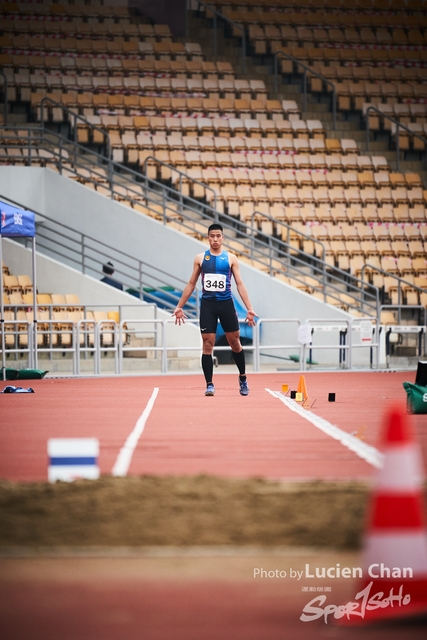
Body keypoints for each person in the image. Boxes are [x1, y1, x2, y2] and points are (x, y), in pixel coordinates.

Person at [172, 223, 257, 397]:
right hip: (208, 306)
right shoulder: (200, 258)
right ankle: (209, 384)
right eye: (212, 236)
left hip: (226, 304)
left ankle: (242, 378)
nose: (215, 239)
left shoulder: (231, 258)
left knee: (235, 343)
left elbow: (239, 284)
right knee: (207, 345)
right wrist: (179, 306)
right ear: (208, 237)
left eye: (218, 236)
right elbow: (191, 284)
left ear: (223, 237)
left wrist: (249, 308)